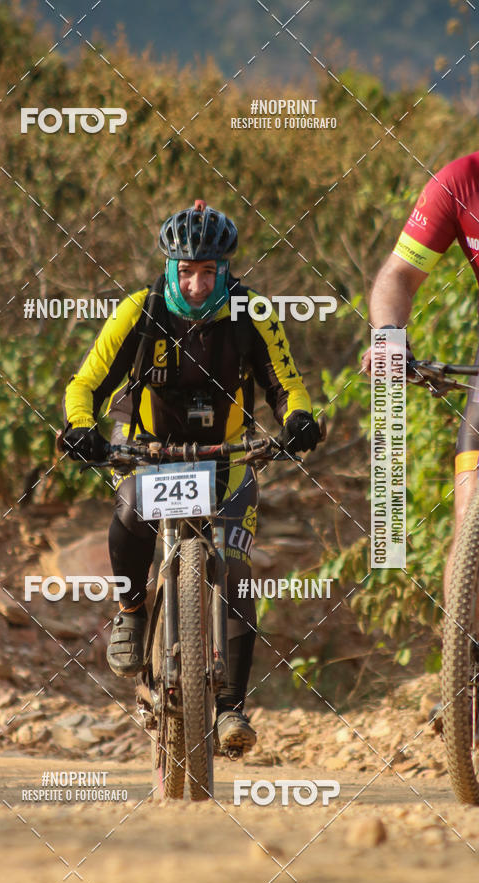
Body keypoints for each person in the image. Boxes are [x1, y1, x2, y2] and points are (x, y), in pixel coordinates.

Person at [62, 199, 321, 753]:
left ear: (226, 268)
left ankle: (231, 709)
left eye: (210, 272)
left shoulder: (252, 312)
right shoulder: (141, 309)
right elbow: (85, 385)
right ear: (169, 267)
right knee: (130, 516)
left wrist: (298, 418)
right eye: (186, 271)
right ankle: (132, 611)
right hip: (151, 453)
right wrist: (82, 427)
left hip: (226, 457)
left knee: (235, 570)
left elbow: (286, 382)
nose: (198, 284)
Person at [362, 151, 479, 614]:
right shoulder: (461, 181)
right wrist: (390, 337)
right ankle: (466, 668)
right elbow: (399, 276)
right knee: (470, 507)